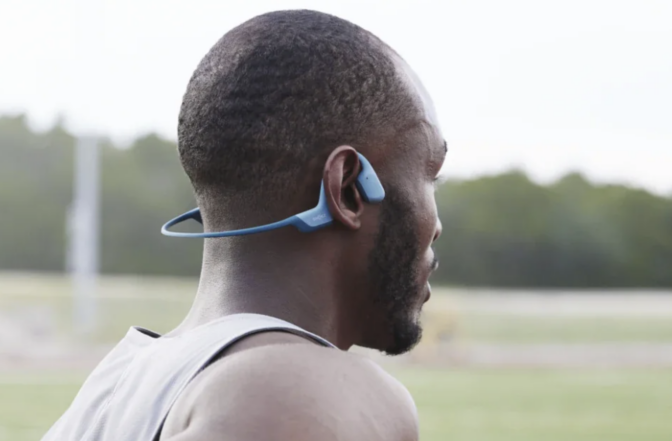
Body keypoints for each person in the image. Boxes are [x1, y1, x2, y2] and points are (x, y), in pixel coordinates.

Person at [43, 9, 446, 441]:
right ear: (348, 189)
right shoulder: (294, 392)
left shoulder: (110, 390)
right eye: (430, 176)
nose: (437, 225)